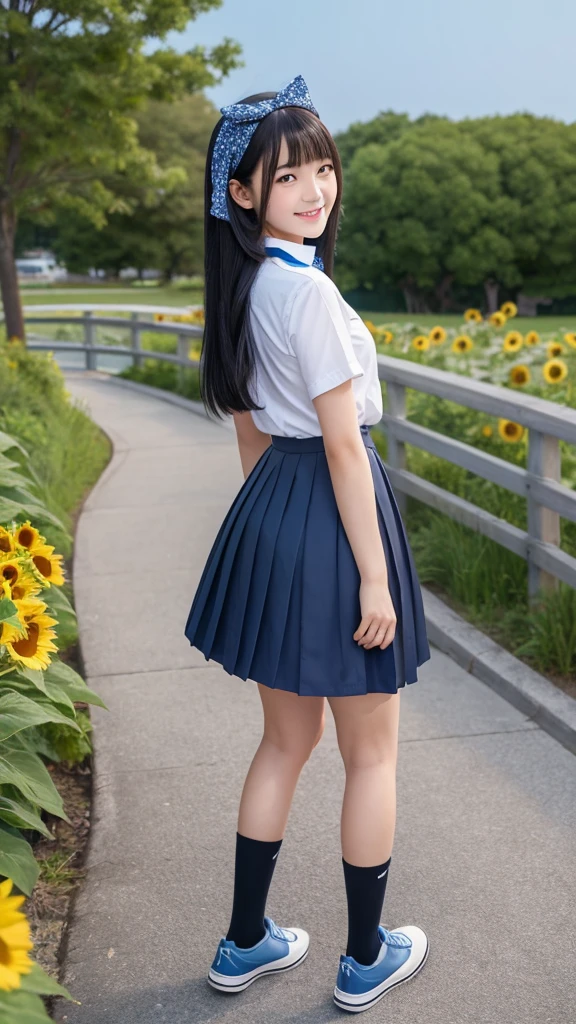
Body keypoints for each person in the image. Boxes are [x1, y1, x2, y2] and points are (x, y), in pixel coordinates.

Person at [184, 73, 431, 1014]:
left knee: (284, 743)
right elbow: (341, 446)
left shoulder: (246, 286)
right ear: (242, 193)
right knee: (371, 757)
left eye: (322, 168)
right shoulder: (312, 297)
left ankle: (246, 940)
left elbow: (253, 431)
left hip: (275, 509)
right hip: (333, 509)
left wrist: (272, 536)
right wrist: (373, 577)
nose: (314, 190)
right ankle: (366, 954)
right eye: (288, 176)